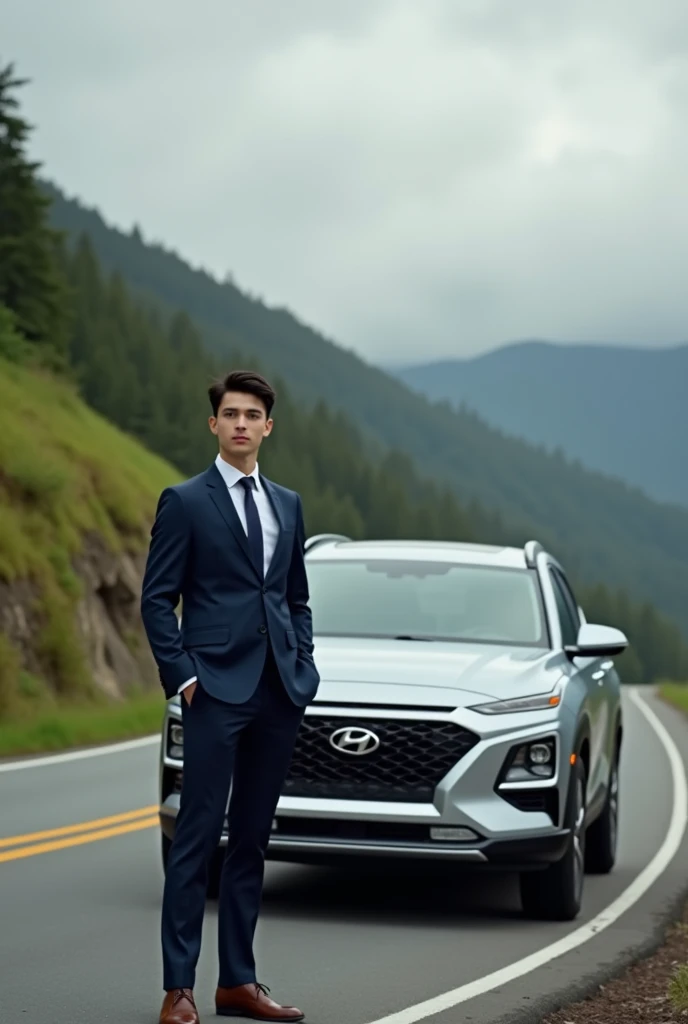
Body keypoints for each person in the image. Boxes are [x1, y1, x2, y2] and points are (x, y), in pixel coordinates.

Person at [140, 370, 320, 1024]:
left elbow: (295, 596)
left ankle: (237, 983)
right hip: (213, 690)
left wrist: (304, 662)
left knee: (250, 841)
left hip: (277, 692)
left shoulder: (288, 505)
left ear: (268, 427)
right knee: (195, 840)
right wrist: (184, 676)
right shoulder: (185, 501)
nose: (241, 423)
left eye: (252, 415)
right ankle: (179, 987)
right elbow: (158, 600)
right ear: (213, 425)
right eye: (230, 414)